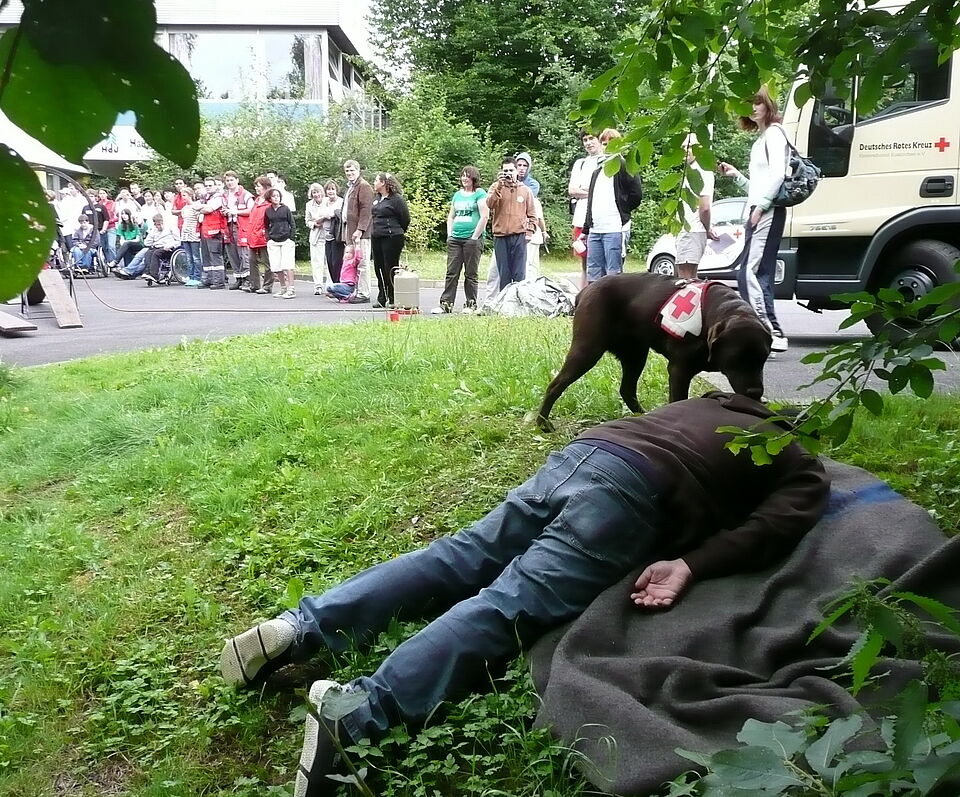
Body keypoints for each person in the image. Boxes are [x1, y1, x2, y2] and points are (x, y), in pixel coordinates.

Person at [219, 391, 830, 796]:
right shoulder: (797, 460)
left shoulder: (704, 403)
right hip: (633, 499)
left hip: (583, 455)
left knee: (456, 556)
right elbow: (774, 528)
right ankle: (357, 715)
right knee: (509, 604)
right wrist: (692, 564)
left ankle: (299, 627)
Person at [718, 86, 790, 353]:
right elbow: (759, 186)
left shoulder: (774, 133)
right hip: (760, 209)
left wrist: (761, 208)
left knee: (749, 272)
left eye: (757, 102)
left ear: (768, 105)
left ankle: (770, 331)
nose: (753, 108)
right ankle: (769, 333)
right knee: (758, 273)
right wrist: (737, 176)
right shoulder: (761, 139)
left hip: (767, 211)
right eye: (748, 104)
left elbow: (779, 175)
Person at [581, 128, 644, 283]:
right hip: (596, 230)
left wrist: (622, 210)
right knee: (594, 272)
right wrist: (586, 229)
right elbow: (591, 202)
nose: (608, 146)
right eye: (604, 143)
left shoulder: (625, 165)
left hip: (614, 229)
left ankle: (613, 300)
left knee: (613, 274)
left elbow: (636, 194)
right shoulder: (598, 170)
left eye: (612, 142)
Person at [433, 166, 488, 315]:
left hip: (472, 239)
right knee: (452, 272)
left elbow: (484, 216)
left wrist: (474, 237)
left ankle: (471, 304)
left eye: (467, 176)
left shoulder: (479, 194)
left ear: (474, 178)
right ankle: (446, 304)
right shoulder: (457, 195)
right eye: (463, 176)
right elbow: (451, 216)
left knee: (470, 273)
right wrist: (450, 235)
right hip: (455, 239)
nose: (464, 179)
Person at [485, 156, 537, 291]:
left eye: (511, 170)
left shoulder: (525, 190)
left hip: (519, 236)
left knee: (519, 273)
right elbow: (490, 204)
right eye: (505, 171)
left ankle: (518, 299)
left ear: (516, 171)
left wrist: (529, 232)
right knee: (504, 273)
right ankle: (505, 300)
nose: (508, 173)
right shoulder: (496, 187)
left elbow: (532, 215)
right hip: (501, 236)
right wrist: (499, 186)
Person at [676, 133, 719, 280]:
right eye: (683, 146)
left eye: (689, 146)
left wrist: (706, 229)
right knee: (691, 278)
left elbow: (704, 208)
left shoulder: (701, 171)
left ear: (699, 148)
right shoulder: (691, 170)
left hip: (691, 231)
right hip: (692, 231)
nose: (685, 149)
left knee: (685, 279)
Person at [370, 173, 411, 309]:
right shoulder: (377, 199)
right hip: (377, 236)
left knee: (390, 267)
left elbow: (405, 218)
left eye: (376, 180)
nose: (374, 183)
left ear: (383, 183)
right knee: (378, 267)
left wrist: (395, 230)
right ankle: (382, 296)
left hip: (392, 237)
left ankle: (393, 296)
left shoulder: (396, 199)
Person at [568, 131, 604, 286]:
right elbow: (572, 190)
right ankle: (583, 294)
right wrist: (594, 191)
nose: (588, 143)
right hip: (581, 219)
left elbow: (607, 190)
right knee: (585, 262)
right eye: (585, 140)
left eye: (591, 138)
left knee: (601, 261)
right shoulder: (581, 163)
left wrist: (585, 191)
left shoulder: (607, 161)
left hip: (602, 220)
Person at [340, 160, 374, 304]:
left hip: (361, 233)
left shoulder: (364, 186)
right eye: (347, 171)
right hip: (350, 230)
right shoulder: (351, 187)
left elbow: (367, 210)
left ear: (358, 170)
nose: (349, 173)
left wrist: (360, 229)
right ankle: (356, 291)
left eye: (352, 170)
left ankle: (364, 293)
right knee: (352, 262)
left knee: (362, 262)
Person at [223, 171, 254, 290]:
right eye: (227, 180)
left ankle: (247, 279)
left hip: (241, 226)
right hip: (228, 225)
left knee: (243, 253)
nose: (229, 183)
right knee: (232, 253)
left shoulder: (245, 194)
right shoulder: (225, 195)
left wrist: (235, 212)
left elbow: (251, 210)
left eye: (232, 180)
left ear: (237, 180)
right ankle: (238, 278)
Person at [264, 188, 297, 299]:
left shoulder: (285, 209)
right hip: (273, 241)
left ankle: (291, 288)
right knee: (276, 265)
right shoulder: (268, 211)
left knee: (288, 264)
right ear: (269, 198)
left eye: (278, 195)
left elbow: (292, 223)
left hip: (286, 240)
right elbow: (266, 225)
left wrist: (291, 237)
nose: (276, 198)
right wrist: (268, 238)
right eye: (274, 196)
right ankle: (283, 288)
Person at [198, 177, 227, 290]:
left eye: (210, 185)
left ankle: (219, 281)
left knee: (215, 256)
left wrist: (199, 208)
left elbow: (209, 209)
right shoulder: (206, 198)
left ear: (215, 186)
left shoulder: (219, 197)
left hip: (215, 230)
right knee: (206, 255)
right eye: (206, 186)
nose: (208, 187)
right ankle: (208, 279)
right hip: (205, 229)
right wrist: (201, 208)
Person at [246, 175, 273, 295]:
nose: (256, 188)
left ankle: (267, 286)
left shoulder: (269, 202)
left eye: (258, 186)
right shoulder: (256, 201)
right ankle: (254, 285)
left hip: (263, 235)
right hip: (253, 235)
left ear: (265, 187)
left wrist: (266, 233)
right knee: (252, 260)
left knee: (267, 262)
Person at [305, 183, 331, 295]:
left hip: (328, 235)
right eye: (314, 193)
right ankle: (318, 286)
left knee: (330, 262)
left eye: (318, 192)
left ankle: (330, 285)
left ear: (322, 192)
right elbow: (307, 221)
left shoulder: (328, 201)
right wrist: (314, 224)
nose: (316, 194)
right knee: (317, 262)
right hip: (316, 236)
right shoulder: (309, 205)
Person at [141, 214, 182, 286]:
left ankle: (154, 275)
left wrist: (170, 245)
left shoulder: (171, 228)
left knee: (156, 253)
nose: (157, 226)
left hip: (168, 248)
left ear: (162, 222)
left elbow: (178, 241)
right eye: (156, 225)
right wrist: (152, 235)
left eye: (159, 224)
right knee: (148, 253)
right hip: (157, 246)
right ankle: (147, 273)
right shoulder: (154, 230)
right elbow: (146, 243)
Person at [178, 186, 203, 286]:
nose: (183, 198)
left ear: (190, 195)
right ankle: (191, 276)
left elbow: (199, 220)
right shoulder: (184, 209)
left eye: (184, 195)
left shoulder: (195, 206)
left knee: (195, 257)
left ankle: (197, 277)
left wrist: (198, 232)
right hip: (185, 234)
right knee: (188, 257)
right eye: (182, 196)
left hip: (194, 234)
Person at [97, 188, 118, 264]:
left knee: (111, 246)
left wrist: (109, 221)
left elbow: (117, 216)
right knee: (103, 247)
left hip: (111, 227)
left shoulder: (112, 203)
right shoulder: (98, 204)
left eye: (103, 193)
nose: (102, 195)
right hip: (101, 228)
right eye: (100, 193)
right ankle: (107, 262)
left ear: (107, 194)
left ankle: (114, 262)